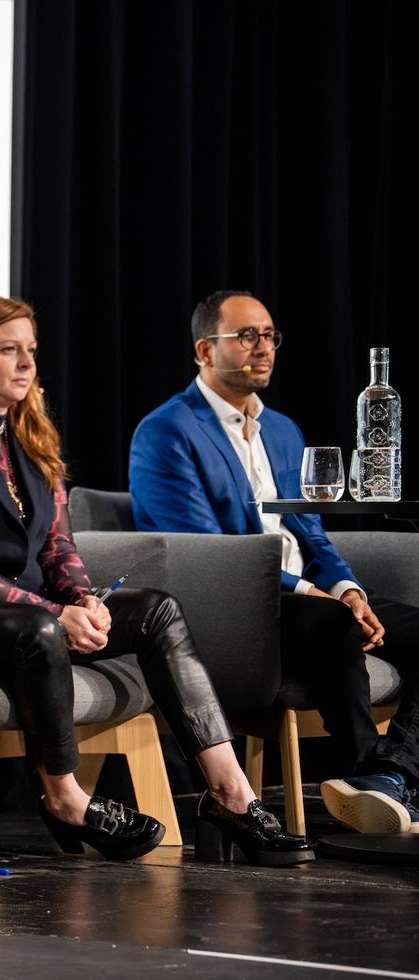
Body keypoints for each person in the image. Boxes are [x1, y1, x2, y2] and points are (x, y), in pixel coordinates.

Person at [0, 295, 312, 865]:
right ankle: (64, 797)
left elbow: (58, 545)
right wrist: (56, 614)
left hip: (28, 611)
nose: (26, 363)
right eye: (8, 350)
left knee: (155, 609)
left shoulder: (29, 432)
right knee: (41, 630)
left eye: (31, 350)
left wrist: (85, 599)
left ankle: (230, 795)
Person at [129, 290, 419, 834]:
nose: (263, 347)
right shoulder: (167, 431)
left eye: (269, 336)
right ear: (204, 350)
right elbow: (201, 550)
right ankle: (364, 772)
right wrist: (316, 594)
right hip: (237, 605)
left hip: (313, 596)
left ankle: (390, 776)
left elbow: (312, 533)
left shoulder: (282, 430)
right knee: (333, 621)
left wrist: (348, 588)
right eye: (246, 336)